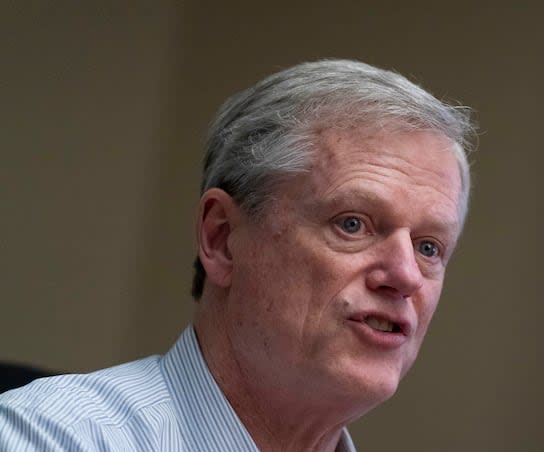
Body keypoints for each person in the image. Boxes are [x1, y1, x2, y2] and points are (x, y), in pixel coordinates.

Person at [0, 59, 475, 451]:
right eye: (352, 224)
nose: (405, 275)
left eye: (428, 247)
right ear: (222, 238)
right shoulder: (51, 437)